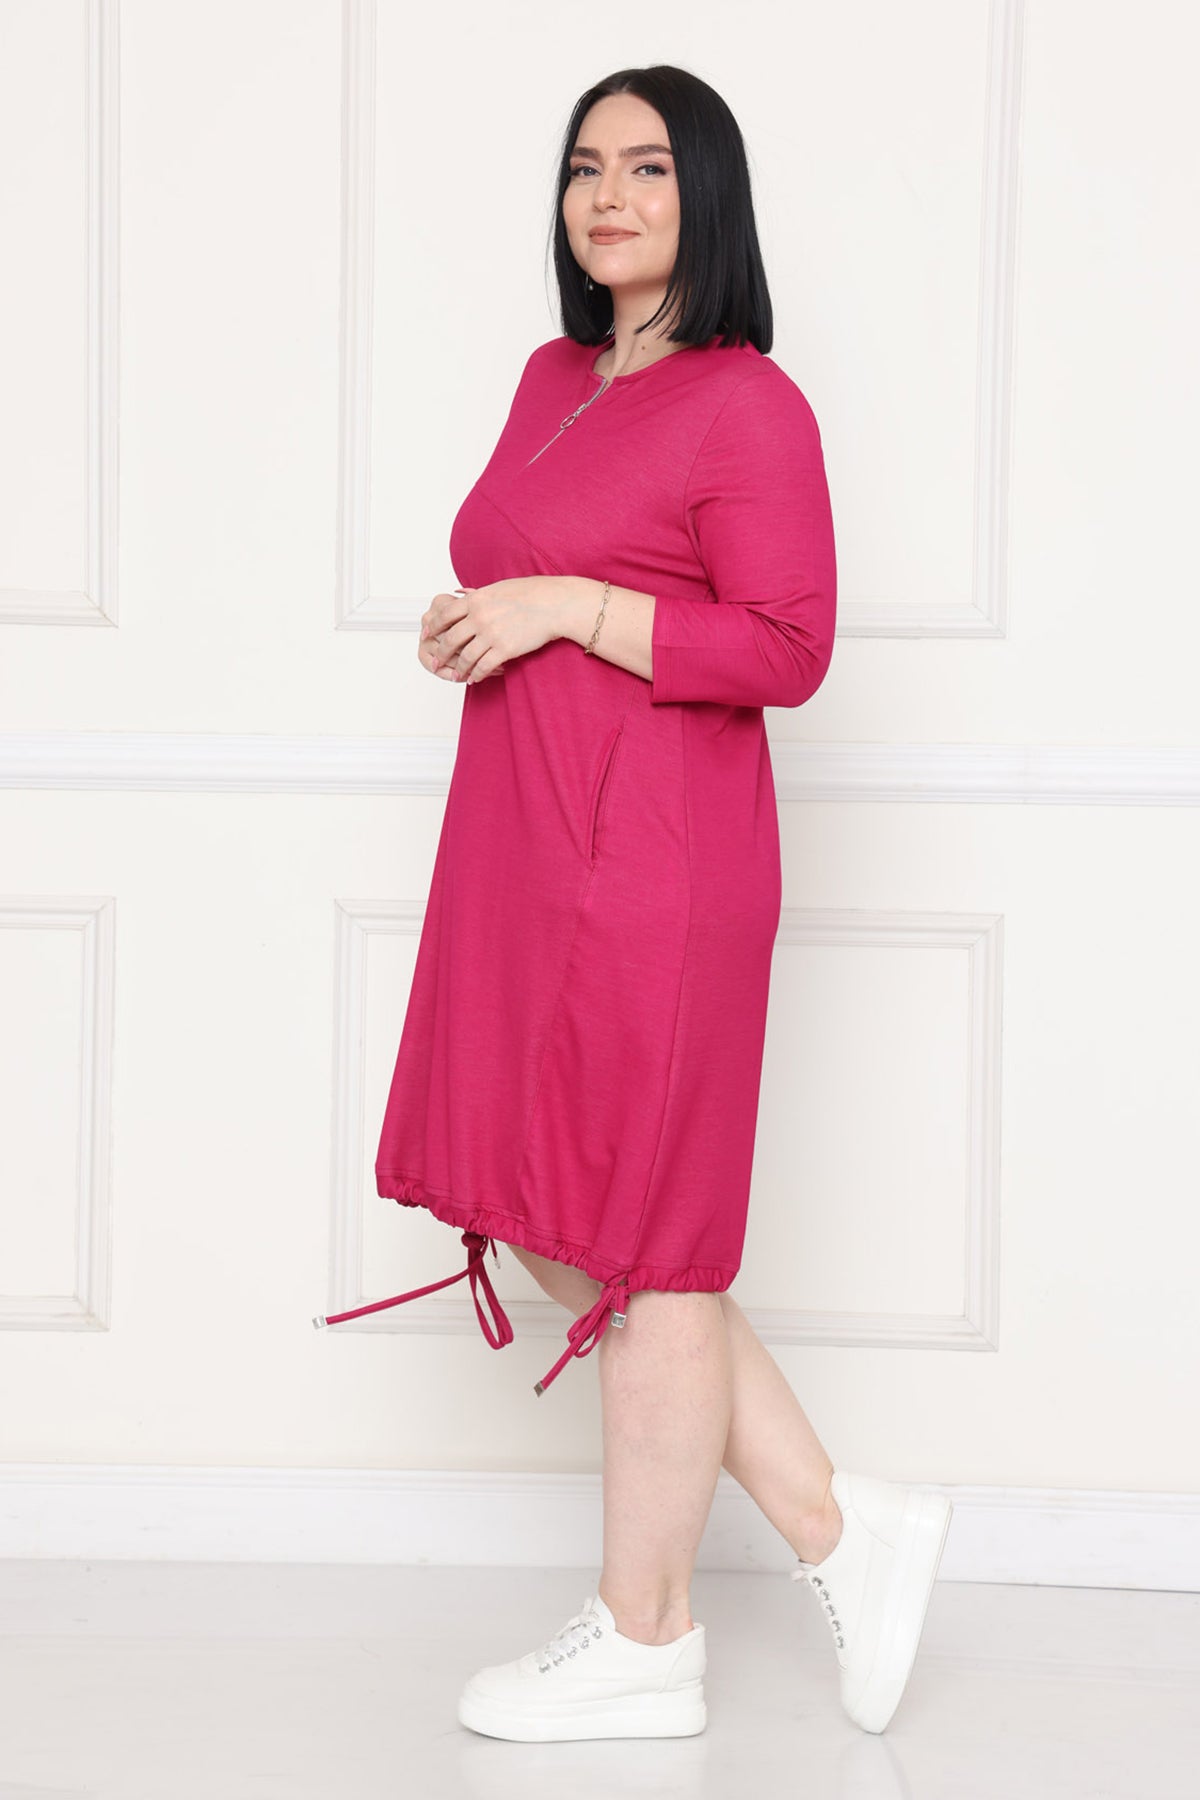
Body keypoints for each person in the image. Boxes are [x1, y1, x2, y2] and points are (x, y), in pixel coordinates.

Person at [314, 64, 952, 1741]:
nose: (609, 195)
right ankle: (842, 1525)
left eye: (650, 168)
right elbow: (533, 569)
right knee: (558, 1210)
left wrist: (566, 608)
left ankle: (648, 1634)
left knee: (648, 1243)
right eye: (586, 166)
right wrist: (484, 619)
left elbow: (790, 648)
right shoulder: (554, 376)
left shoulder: (751, 404)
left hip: (662, 864)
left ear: (706, 195)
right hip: (524, 851)